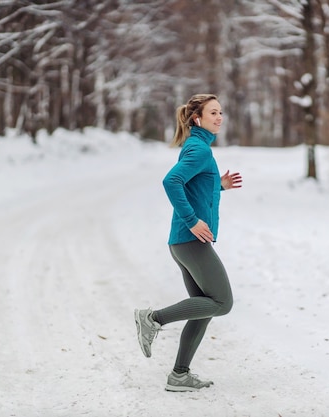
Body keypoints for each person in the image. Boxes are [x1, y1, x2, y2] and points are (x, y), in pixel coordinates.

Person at [134, 94, 242, 392]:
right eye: (213, 113)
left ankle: (179, 375)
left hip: (182, 242)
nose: (220, 117)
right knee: (222, 303)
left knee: (204, 309)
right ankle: (153, 319)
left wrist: (218, 185)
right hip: (190, 240)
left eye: (221, 112)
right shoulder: (199, 149)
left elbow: (193, 183)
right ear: (197, 119)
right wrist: (193, 220)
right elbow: (172, 182)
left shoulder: (197, 146)